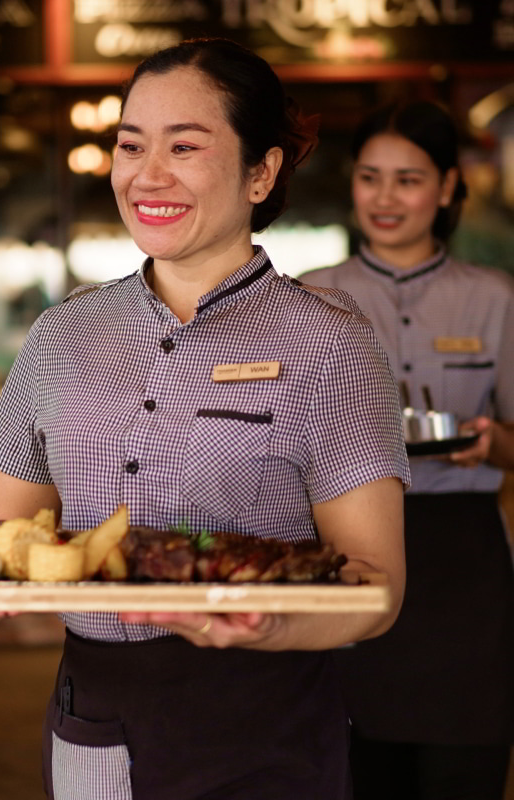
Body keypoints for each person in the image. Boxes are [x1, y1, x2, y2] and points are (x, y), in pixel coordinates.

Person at [0, 39, 409, 800]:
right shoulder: (61, 335)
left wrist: (271, 626)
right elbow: (9, 540)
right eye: (130, 146)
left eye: (185, 146)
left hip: (262, 729)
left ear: (262, 171)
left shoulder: (329, 344)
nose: (148, 174)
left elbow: (376, 591)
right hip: (91, 719)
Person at [301, 100, 514, 800]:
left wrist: (492, 446)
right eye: (370, 177)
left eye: (409, 179)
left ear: (450, 187)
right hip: (345, 554)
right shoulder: (308, 300)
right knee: (358, 769)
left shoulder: (497, 300)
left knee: (466, 771)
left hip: (462, 567)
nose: (386, 198)